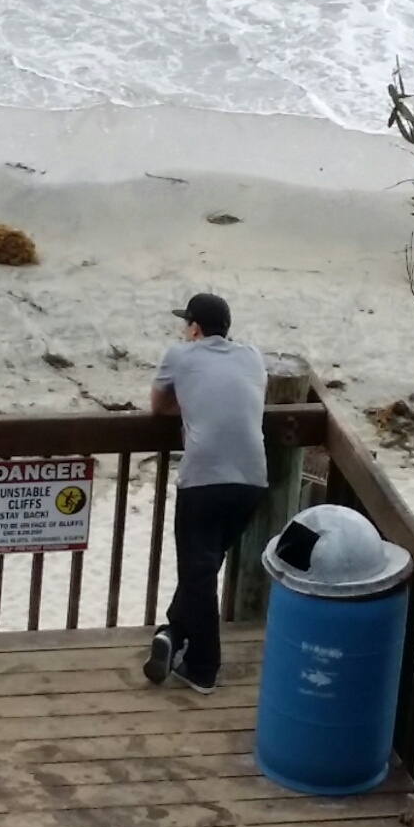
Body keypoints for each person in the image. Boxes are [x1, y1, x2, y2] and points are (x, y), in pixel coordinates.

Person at [144, 293, 267, 694]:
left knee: (197, 572)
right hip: (252, 481)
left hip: (203, 479)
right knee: (204, 568)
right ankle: (173, 633)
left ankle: (202, 667)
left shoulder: (180, 355)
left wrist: (190, 406)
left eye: (187, 324)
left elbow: (158, 407)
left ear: (194, 328)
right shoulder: (252, 357)